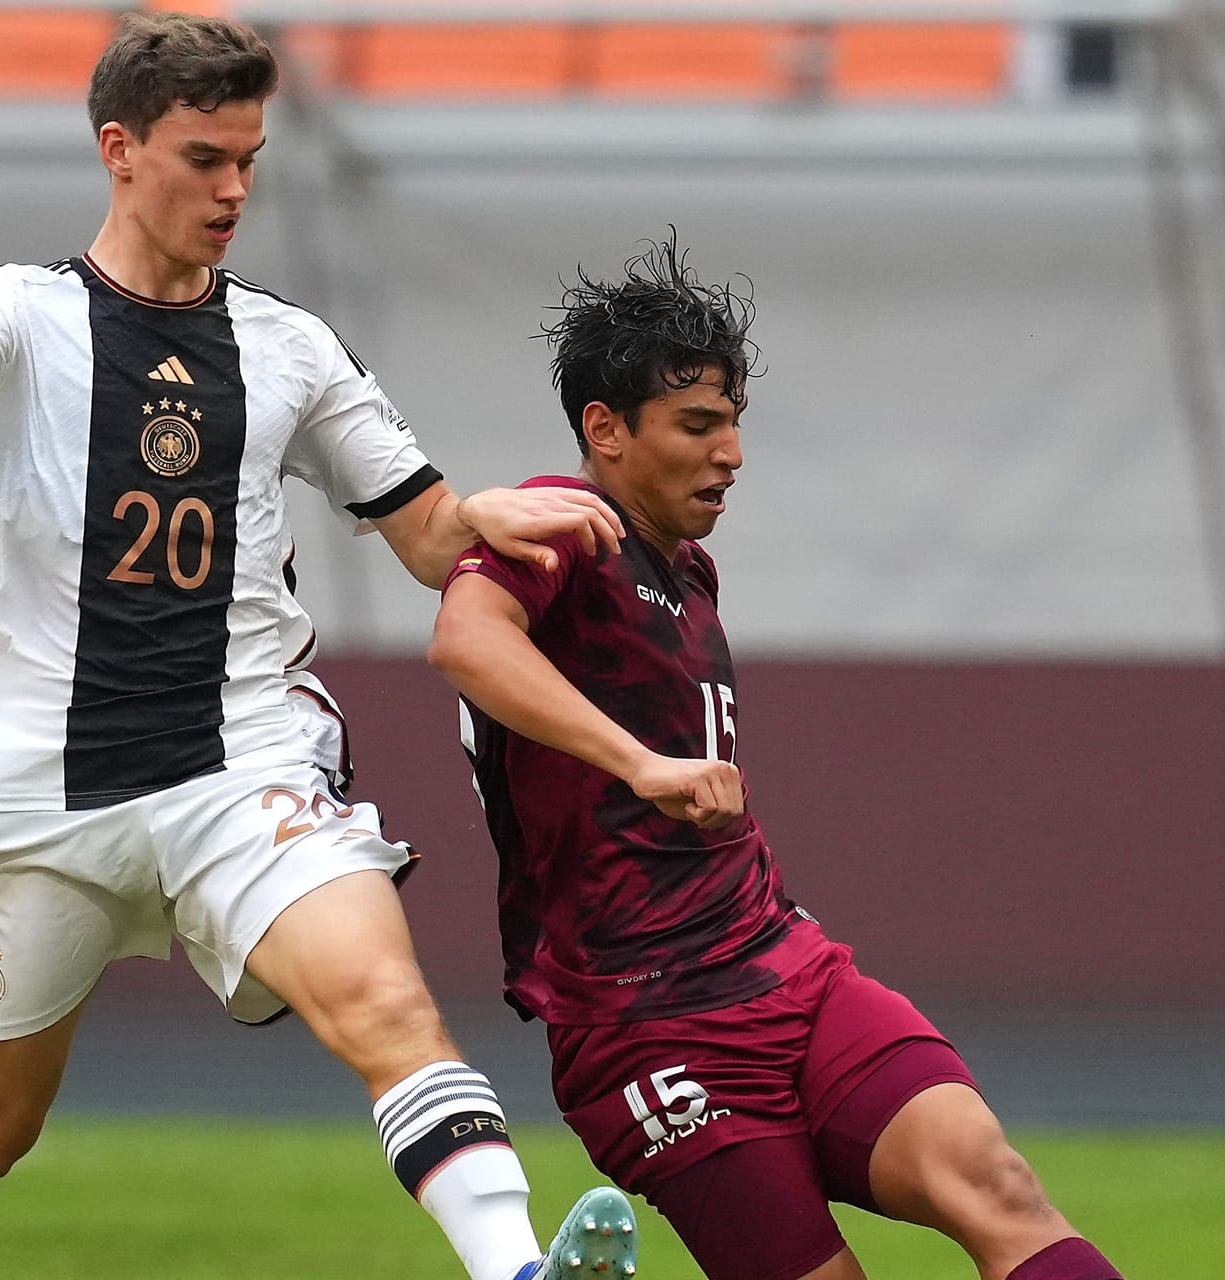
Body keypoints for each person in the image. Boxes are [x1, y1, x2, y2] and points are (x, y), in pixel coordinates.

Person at [0, 13, 639, 1280]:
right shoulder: (18, 312)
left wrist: (481, 512)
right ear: (120, 148)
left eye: (250, 160)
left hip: (239, 766)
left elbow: (431, 534)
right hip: (38, 791)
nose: (234, 190)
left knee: (386, 1002)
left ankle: (515, 1267)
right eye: (204, 157)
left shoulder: (289, 346)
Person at [428, 237, 1127, 1280]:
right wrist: (639, 762)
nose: (733, 453)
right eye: (699, 425)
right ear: (605, 430)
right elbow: (465, 641)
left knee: (999, 1185)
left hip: (788, 971)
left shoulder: (692, 571)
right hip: (643, 1024)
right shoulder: (561, 523)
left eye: (735, 423)